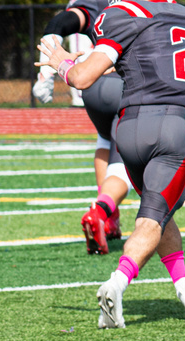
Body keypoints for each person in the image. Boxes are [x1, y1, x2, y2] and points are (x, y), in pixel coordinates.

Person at [37, 0, 185, 328]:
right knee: (152, 219)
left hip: (129, 129)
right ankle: (116, 284)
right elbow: (163, 59)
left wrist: (60, 63)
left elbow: (81, 78)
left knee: (160, 212)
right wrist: (70, 64)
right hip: (177, 125)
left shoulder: (122, 13)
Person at [33, 0, 132, 255]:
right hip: (124, 84)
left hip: (93, 87)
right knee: (127, 157)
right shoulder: (149, 6)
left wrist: (45, 77)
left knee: (105, 139)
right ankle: (101, 210)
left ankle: (111, 221)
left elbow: (57, 24)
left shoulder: (96, 4)